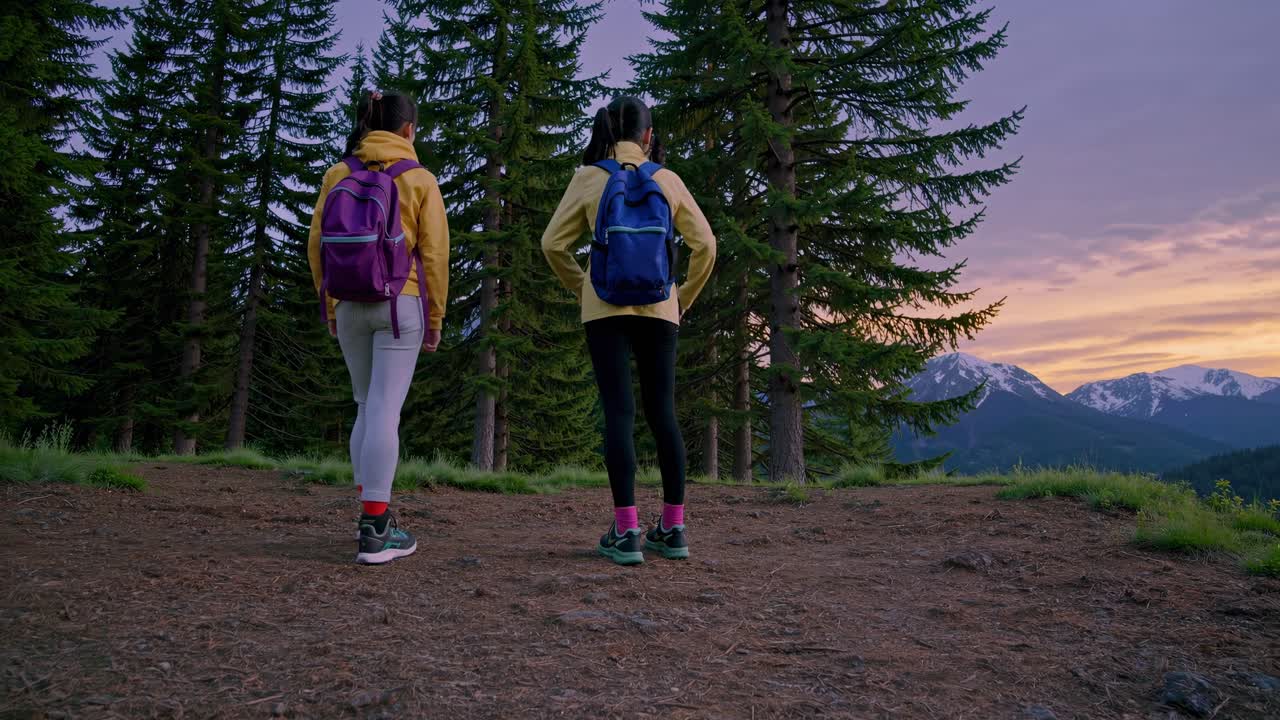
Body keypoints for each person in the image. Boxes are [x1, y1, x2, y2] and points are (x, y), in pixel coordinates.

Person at [541, 96, 717, 565]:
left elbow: (552, 244)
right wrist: (680, 298)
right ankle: (674, 528)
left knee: (618, 412)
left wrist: (584, 288)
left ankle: (627, 533)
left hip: (604, 308)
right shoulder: (668, 180)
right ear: (648, 136)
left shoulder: (588, 178)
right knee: (664, 413)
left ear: (608, 132)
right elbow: (707, 247)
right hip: (661, 310)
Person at [307, 91, 450, 565]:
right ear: (409, 130)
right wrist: (434, 321)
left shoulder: (337, 174)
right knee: (386, 410)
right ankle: (375, 528)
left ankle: (370, 509)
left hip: (348, 302)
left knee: (366, 405)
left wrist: (330, 307)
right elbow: (434, 258)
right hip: (398, 305)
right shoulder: (419, 180)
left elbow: (316, 247)